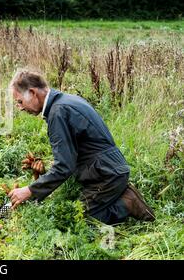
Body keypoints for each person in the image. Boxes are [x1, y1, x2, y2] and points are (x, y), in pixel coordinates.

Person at [8, 70, 155, 225]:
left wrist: (30, 190)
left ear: (32, 93)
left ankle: (127, 202)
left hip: (105, 176)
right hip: (109, 169)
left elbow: (65, 166)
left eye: (19, 101)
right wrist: (46, 170)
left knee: (76, 220)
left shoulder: (58, 113)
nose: (20, 108)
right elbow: (77, 152)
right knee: (76, 212)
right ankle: (116, 195)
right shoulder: (65, 101)